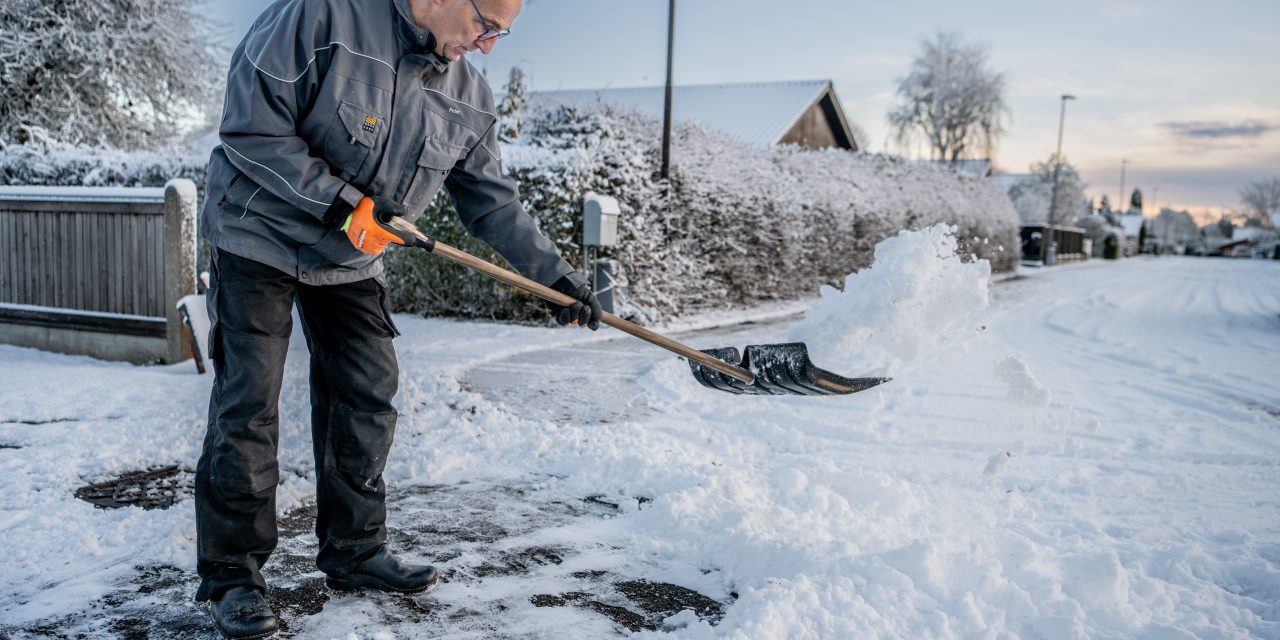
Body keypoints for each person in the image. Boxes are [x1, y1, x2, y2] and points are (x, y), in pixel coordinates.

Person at [194, 0, 601, 637]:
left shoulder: (468, 94)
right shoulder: (323, 16)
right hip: (259, 232)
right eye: (486, 25)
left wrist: (555, 279)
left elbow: (492, 203)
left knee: (368, 395)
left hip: (351, 258)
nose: (490, 44)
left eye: (501, 34)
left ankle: (354, 552)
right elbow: (251, 129)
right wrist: (341, 202)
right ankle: (232, 577)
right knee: (249, 404)